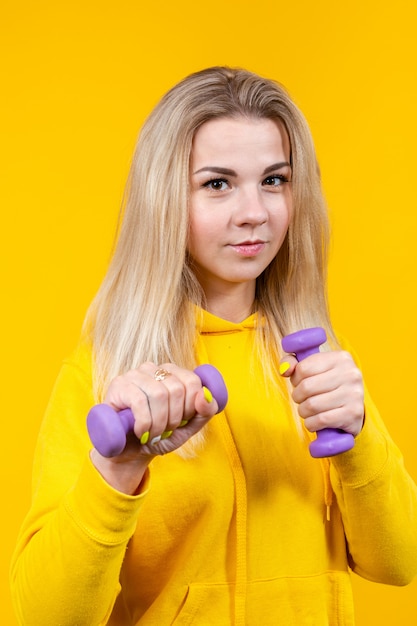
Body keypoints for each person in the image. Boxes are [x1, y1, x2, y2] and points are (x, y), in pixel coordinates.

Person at [10, 66, 417, 625]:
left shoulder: (316, 362)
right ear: (164, 200)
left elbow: (398, 562)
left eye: (274, 179)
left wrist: (359, 438)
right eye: (217, 183)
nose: (255, 212)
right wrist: (117, 471)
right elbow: (45, 618)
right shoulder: (103, 375)